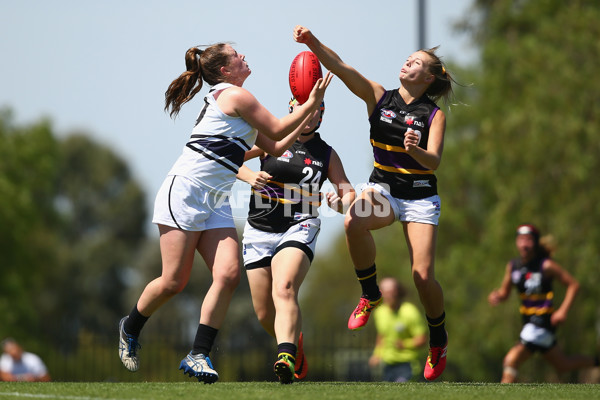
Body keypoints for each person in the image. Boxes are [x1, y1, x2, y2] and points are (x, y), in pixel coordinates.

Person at [118, 42, 332, 383]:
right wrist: (311, 104)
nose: (244, 56)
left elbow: (276, 145)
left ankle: (198, 353)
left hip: (214, 198)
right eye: (237, 55)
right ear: (225, 71)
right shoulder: (234, 95)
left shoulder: (239, 101)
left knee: (229, 274)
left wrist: (309, 110)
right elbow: (278, 130)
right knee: (174, 281)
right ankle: (130, 327)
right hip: (186, 191)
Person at [293, 25, 455, 381]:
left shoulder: (433, 115)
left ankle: (438, 339)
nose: (406, 63)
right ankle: (370, 293)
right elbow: (340, 66)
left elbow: (434, 161)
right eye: (408, 59)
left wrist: (416, 150)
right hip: (383, 189)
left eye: (415, 62)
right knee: (354, 221)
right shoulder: (379, 96)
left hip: (420, 198)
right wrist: (312, 42)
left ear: (427, 77)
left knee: (422, 276)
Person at [237, 98, 355, 383]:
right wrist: (250, 175)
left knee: (285, 287)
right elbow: (228, 159)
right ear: (292, 111)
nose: (308, 116)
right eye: (303, 110)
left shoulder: (326, 154)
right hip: (259, 229)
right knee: (265, 312)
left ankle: (285, 355)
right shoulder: (270, 138)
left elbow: (348, 194)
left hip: (299, 225)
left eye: (315, 112)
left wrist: (339, 201)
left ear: (321, 117)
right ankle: (295, 344)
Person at [488, 224, 600, 383]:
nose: (524, 244)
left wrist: (563, 311)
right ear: (516, 242)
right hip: (529, 324)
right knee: (563, 365)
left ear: (535, 242)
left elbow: (574, 285)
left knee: (511, 360)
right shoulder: (513, 267)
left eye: (528, 240)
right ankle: (597, 362)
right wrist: (497, 296)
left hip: (542, 324)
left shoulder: (545, 265)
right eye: (520, 240)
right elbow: (505, 293)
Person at [368, 277, 427, 382]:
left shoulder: (410, 311)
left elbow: (422, 339)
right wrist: (377, 354)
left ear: (398, 292)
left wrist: (404, 344)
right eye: (385, 292)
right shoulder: (380, 312)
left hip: (408, 364)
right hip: (388, 364)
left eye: (392, 291)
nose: (389, 295)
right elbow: (381, 335)